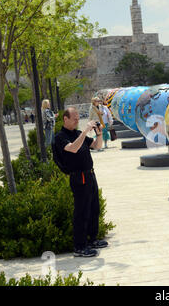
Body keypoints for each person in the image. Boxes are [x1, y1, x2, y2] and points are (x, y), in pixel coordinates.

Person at [52, 107, 108, 257]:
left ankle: (92, 239)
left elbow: (97, 146)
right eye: (75, 118)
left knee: (93, 208)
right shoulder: (60, 137)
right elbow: (73, 148)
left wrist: (99, 133)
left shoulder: (78, 134)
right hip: (78, 177)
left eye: (78, 118)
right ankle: (79, 246)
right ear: (66, 119)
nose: (78, 121)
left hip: (90, 175)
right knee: (81, 212)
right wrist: (85, 132)